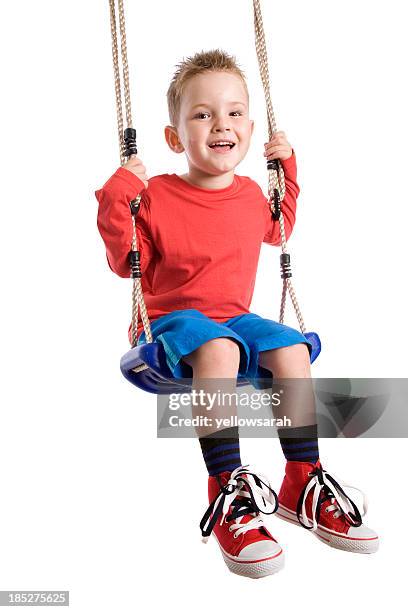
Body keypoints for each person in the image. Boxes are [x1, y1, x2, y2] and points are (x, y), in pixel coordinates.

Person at [95, 49, 378, 579]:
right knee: (220, 345)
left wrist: (286, 166)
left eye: (234, 112)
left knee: (291, 345)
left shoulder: (251, 196)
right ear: (175, 137)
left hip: (232, 317)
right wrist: (118, 196)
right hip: (171, 324)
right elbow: (122, 261)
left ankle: (303, 478)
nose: (221, 123)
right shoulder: (153, 196)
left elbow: (281, 225)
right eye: (202, 114)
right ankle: (228, 490)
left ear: (249, 126)